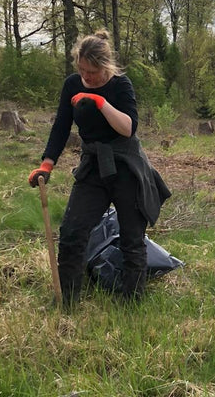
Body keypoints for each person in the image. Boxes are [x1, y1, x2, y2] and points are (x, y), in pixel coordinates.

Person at [28, 30, 170, 308]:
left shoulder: (121, 85)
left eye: (92, 72)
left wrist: (100, 102)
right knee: (72, 232)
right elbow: (60, 128)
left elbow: (128, 128)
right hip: (93, 166)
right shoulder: (71, 85)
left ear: (105, 66)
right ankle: (66, 301)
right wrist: (47, 163)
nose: (87, 77)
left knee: (132, 237)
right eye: (82, 70)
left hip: (126, 166)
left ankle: (132, 301)